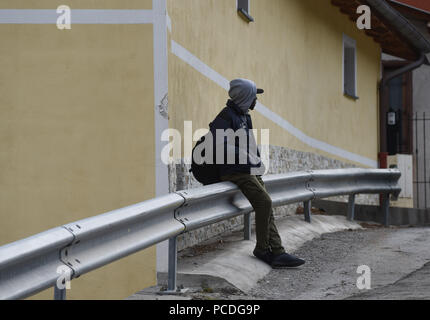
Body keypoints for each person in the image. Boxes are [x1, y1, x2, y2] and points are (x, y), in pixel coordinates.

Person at [209, 78, 305, 268]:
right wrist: (245, 157)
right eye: (254, 96)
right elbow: (218, 145)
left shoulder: (245, 116)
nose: (256, 101)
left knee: (266, 203)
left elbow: (250, 144)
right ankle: (262, 249)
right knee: (264, 202)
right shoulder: (226, 116)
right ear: (245, 96)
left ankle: (277, 251)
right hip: (233, 170)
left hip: (245, 168)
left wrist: (257, 161)